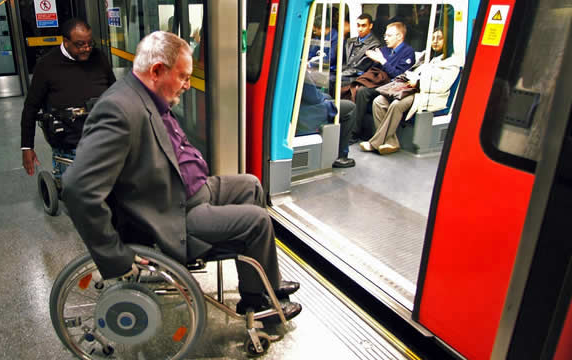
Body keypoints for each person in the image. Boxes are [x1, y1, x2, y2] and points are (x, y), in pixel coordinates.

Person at [61, 31, 302, 322]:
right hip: (172, 215)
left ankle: (262, 285)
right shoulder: (119, 110)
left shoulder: (144, 95)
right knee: (257, 221)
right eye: (183, 77)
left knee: (250, 185)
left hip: (189, 191)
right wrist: (114, 256)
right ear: (157, 71)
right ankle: (261, 305)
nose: (188, 85)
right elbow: (78, 188)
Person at [21, 18, 116, 177]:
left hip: (104, 135)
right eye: (80, 44)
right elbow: (31, 106)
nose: (86, 48)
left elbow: (115, 90)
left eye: (89, 43)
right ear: (66, 42)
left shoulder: (99, 57)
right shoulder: (47, 65)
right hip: (69, 141)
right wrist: (27, 147)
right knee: (79, 193)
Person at [361, 28, 460, 154]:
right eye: (433, 38)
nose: (435, 42)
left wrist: (418, 83)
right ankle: (391, 142)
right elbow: (414, 71)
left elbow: (441, 87)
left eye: (439, 38)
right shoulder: (429, 58)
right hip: (412, 89)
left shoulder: (452, 64)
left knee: (397, 104)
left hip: (427, 95)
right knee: (379, 101)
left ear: (447, 41)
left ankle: (374, 143)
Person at [349, 22, 416, 142]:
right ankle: (349, 126)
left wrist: (382, 61)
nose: (385, 38)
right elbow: (375, 71)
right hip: (378, 81)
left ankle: (355, 132)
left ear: (399, 36)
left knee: (363, 92)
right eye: (385, 35)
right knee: (353, 86)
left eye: (389, 36)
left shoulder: (408, 52)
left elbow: (398, 76)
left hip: (392, 86)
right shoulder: (384, 50)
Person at [297, 71, 356, 168]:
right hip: (304, 113)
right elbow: (313, 97)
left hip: (297, 107)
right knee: (350, 107)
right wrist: (323, 98)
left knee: (328, 97)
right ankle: (341, 155)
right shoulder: (299, 67)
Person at [331, 14, 382, 91]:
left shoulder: (375, 45)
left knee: (332, 81)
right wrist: (343, 35)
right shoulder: (350, 41)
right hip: (345, 72)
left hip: (357, 77)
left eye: (363, 26)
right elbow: (338, 56)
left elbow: (360, 67)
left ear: (370, 26)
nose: (360, 29)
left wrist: (341, 74)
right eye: (358, 25)